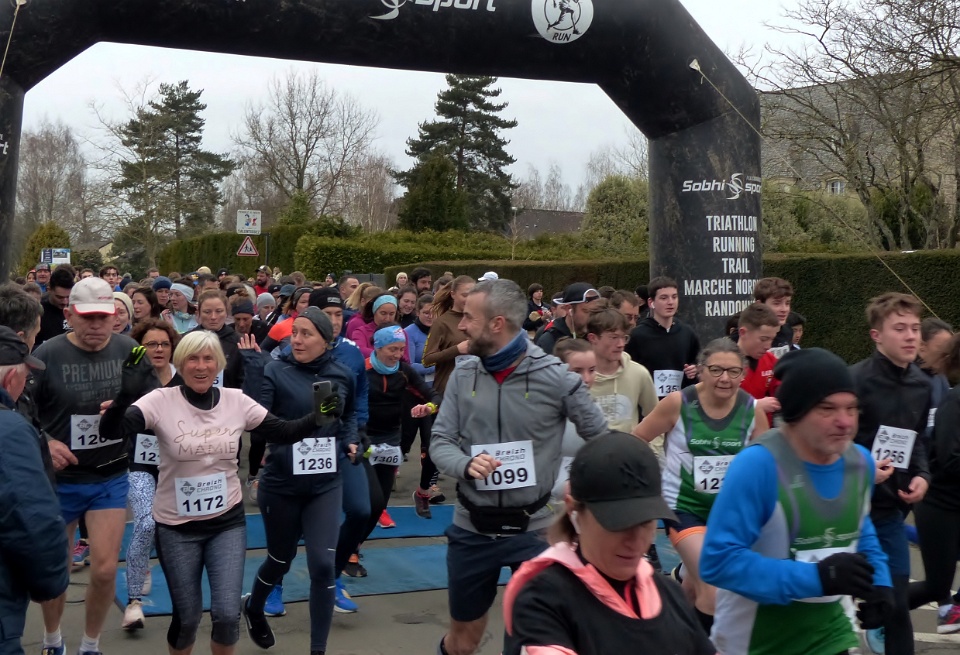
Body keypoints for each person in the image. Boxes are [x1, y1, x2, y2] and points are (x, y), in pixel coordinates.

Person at [98, 332, 337, 655]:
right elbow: (111, 431)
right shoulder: (160, 400)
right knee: (187, 618)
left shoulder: (236, 400)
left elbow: (282, 431)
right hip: (176, 527)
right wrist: (124, 396)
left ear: (219, 364)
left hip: (226, 523)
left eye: (208, 359)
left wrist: (319, 417)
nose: (201, 366)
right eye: (192, 359)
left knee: (226, 616)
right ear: (180, 363)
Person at [430, 278, 608, 655]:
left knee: (534, 639)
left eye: (469, 318)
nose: (462, 326)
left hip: (536, 529)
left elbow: (601, 440)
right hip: (472, 527)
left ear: (497, 323)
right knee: (463, 641)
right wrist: (465, 463)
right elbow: (440, 441)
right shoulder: (464, 373)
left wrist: (589, 496)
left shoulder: (556, 376)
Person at [700, 348, 894, 655]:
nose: (845, 422)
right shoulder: (757, 466)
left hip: (832, 632)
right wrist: (817, 577)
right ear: (796, 413)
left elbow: (861, 528)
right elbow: (717, 562)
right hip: (757, 641)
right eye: (828, 409)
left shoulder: (860, 463)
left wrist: (880, 583)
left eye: (852, 408)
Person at [502, 431, 716, 655]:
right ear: (574, 510)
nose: (635, 541)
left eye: (645, 522)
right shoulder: (541, 600)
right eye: (618, 524)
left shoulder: (668, 594)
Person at [31, 277, 147, 655]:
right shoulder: (47, 354)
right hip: (59, 480)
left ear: (115, 315)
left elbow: (155, 399)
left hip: (108, 475)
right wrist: (46, 442)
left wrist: (129, 412)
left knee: (104, 569)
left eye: (103, 317)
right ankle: (52, 639)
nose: (96, 325)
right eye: (87, 318)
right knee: (57, 570)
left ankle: (90, 644)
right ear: (69, 314)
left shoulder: (131, 351)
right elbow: (18, 408)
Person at [237, 308, 360, 653]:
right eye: (295, 333)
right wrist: (254, 370)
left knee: (322, 565)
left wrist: (351, 440)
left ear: (326, 340)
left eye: (307, 334)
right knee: (280, 559)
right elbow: (257, 421)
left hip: (325, 484)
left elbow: (349, 416)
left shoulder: (341, 374)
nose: (298, 340)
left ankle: (317, 649)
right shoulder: (276, 370)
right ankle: (254, 606)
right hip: (282, 484)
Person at [633, 338, 768, 633]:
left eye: (733, 371)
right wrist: (643, 483)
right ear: (701, 370)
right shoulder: (678, 403)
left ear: (743, 374)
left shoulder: (752, 410)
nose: (724, 378)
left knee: (696, 588)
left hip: (730, 513)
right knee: (714, 588)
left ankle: (670, 634)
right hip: (684, 508)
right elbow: (637, 438)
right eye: (716, 370)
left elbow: (766, 464)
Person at [850, 292, 931, 655]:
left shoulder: (922, 385)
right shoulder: (854, 380)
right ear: (876, 335)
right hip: (840, 508)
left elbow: (918, 440)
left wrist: (922, 475)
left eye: (915, 328)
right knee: (830, 602)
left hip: (887, 512)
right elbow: (830, 442)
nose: (911, 336)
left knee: (897, 605)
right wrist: (864, 469)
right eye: (900, 328)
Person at [0, 327, 70, 655]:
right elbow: (32, 519)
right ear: (8, 379)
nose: (26, 385)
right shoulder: (10, 430)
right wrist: (50, 583)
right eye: (25, 377)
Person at [120, 319, 182, 631]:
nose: (158, 349)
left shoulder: (185, 379)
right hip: (139, 465)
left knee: (177, 533)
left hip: (179, 469)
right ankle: (133, 603)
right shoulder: (132, 378)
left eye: (164, 344)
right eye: (151, 344)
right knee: (146, 523)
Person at [908, 332, 960, 633]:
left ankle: (952, 613)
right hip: (940, 504)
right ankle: (879, 609)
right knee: (936, 586)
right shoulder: (955, 401)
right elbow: (950, 459)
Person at [363, 325, 439, 528]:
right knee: (366, 501)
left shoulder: (404, 370)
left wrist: (429, 407)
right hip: (365, 438)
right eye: (392, 349)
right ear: (378, 347)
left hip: (391, 438)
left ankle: (373, 520)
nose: (398, 355)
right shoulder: (361, 370)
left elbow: (433, 395)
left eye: (401, 349)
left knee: (380, 499)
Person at [624, 276, 700, 400]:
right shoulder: (637, 335)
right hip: (649, 405)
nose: (670, 302)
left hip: (681, 404)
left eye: (674, 297)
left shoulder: (687, 333)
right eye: (664, 298)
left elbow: (698, 364)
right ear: (651, 302)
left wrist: (695, 369)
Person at [404, 294, 442, 506]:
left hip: (433, 395)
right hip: (411, 395)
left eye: (433, 312)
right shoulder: (409, 332)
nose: (430, 316)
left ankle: (429, 486)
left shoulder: (440, 331)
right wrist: (436, 363)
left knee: (431, 441)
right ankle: (387, 473)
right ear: (417, 312)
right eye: (426, 312)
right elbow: (410, 365)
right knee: (405, 442)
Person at [421, 276, 476, 399]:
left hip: (474, 389)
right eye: (465, 295)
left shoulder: (479, 319)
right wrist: (457, 349)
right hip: (447, 390)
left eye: (472, 295)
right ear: (453, 294)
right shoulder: (441, 322)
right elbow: (427, 360)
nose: (469, 299)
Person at [735, 303, 782, 424]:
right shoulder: (723, 363)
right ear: (743, 333)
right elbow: (714, 405)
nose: (768, 346)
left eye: (772, 339)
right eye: (763, 339)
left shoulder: (770, 360)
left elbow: (782, 389)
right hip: (733, 432)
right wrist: (755, 405)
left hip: (763, 430)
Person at [189, 290, 244, 390]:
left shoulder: (239, 342)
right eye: (207, 312)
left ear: (226, 313)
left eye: (219, 311)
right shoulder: (187, 340)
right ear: (198, 313)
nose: (213, 317)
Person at [534, 282, 601, 355]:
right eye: (586, 311)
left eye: (595, 311)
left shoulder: (598, 335)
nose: (592, 316)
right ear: (569, 309)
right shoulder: (550, 340)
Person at [753, 277, 796, 357]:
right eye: (776, 303)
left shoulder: (787, 331)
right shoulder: (747, 334)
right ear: (759, 305)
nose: (784, 309)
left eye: (787, 303)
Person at [36, 267, 73, 349]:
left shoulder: (76, 307)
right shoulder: (38, 310)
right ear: (49, 290)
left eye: (68, 297)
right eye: (59, 297)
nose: (65, 302)